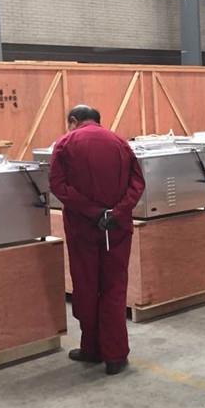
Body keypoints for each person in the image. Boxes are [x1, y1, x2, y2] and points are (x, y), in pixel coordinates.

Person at [49, 105, 145, 374]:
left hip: (82, 229)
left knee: (86, 288)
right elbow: (137, 184)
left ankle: (91, 349)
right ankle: (115, 355)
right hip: (116, 229)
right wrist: (116, 212)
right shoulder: (120, 143)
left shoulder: (64, 144)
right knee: (114, 288)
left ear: (73, 120)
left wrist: (92, 211)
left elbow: (57, 185)